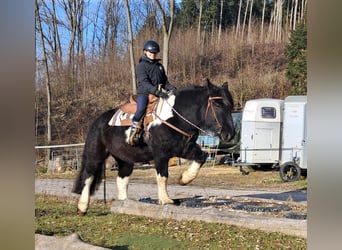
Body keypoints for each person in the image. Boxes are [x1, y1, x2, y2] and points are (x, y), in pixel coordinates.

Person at [128, 40, 177, 145]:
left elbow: (165, 82)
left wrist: (173, 89)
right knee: (141, 108)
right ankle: (133, 129)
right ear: (145, 52)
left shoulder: (159, 66)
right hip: (144, 93)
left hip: (158, 93)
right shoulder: (141, 66)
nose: (153, 55)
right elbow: (144, 82)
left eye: (154, 53)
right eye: (150, 52)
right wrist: (157, 92)